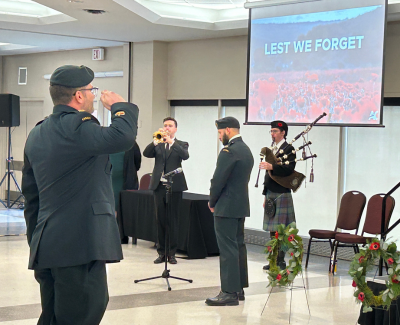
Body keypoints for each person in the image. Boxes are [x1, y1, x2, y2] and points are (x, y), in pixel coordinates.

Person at [21, 65, 139, 325]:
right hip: (79, 245)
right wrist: (121, 107)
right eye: (91, 90)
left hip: (48, 245)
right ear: (78, 96)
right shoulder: (77, 127)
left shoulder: (37, 133)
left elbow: (32, 199)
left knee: (53, 316)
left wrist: (36, 242)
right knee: (83, 313)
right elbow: (122, 137)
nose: (94, 95)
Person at [205, 116, 254, 306]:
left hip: (226, 206)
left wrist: (212, 200)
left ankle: (228, 292)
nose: (219, 137)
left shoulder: (229, 151)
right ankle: (239, 288)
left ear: (228, 130)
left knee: (227, 249)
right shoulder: (246, 149)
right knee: (238, 246)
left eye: (219, 132)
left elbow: (218, 180)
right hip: (240, 205)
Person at [143, 117, 189, 264]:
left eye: (170, 126)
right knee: (160, 220)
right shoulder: (158, 143)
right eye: (165, 125)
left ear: (175, 128)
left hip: (175, 186)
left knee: (173, 220)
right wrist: (155, 141)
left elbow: (185, 156)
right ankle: (161, 252)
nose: (167, 128)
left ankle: (172, 253)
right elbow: (146, 153)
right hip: (159, 185)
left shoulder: (181, 144)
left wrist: (171, 143)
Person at [259, 120, 296, 271]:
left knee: (281, 229)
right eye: (271, 131)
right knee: (272, 230)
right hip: (271, 192)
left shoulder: (289, 149)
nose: (272, 134)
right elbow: (268, 176)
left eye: (275, 131)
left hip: (282, 192)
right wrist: (264, 194)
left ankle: (280, 260)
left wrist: (272, 166)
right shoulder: (271, 149)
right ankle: (273, 259)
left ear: (283, 133)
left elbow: (289, 170)